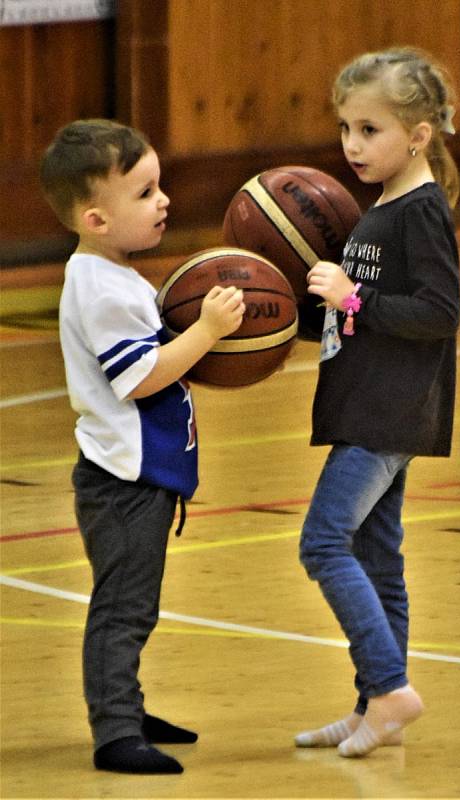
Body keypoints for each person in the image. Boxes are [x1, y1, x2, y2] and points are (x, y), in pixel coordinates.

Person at [39, 119, 245, 774]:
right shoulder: (100, 289)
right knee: (121, 609)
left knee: (136, 604)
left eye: (160, 186)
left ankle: (125, 704)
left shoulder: (112, 274)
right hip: (121, 482)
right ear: (97, 218)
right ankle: (115, 731)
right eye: (145, 192)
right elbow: (144, 376)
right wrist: (208, 331)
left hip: (135, 476)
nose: (163, 201)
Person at [294, 47, 460, 758]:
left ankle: (389, 686)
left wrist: (352, 296)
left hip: (386, 412)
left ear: (417, 135)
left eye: (370, 130)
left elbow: (438, 312)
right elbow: (354, 315)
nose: (352, 145)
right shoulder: (383, 206)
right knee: (376, 555)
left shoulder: (419, 212)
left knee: (323, 542)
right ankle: (374, 707)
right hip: (370, 401)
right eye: (345, 128)